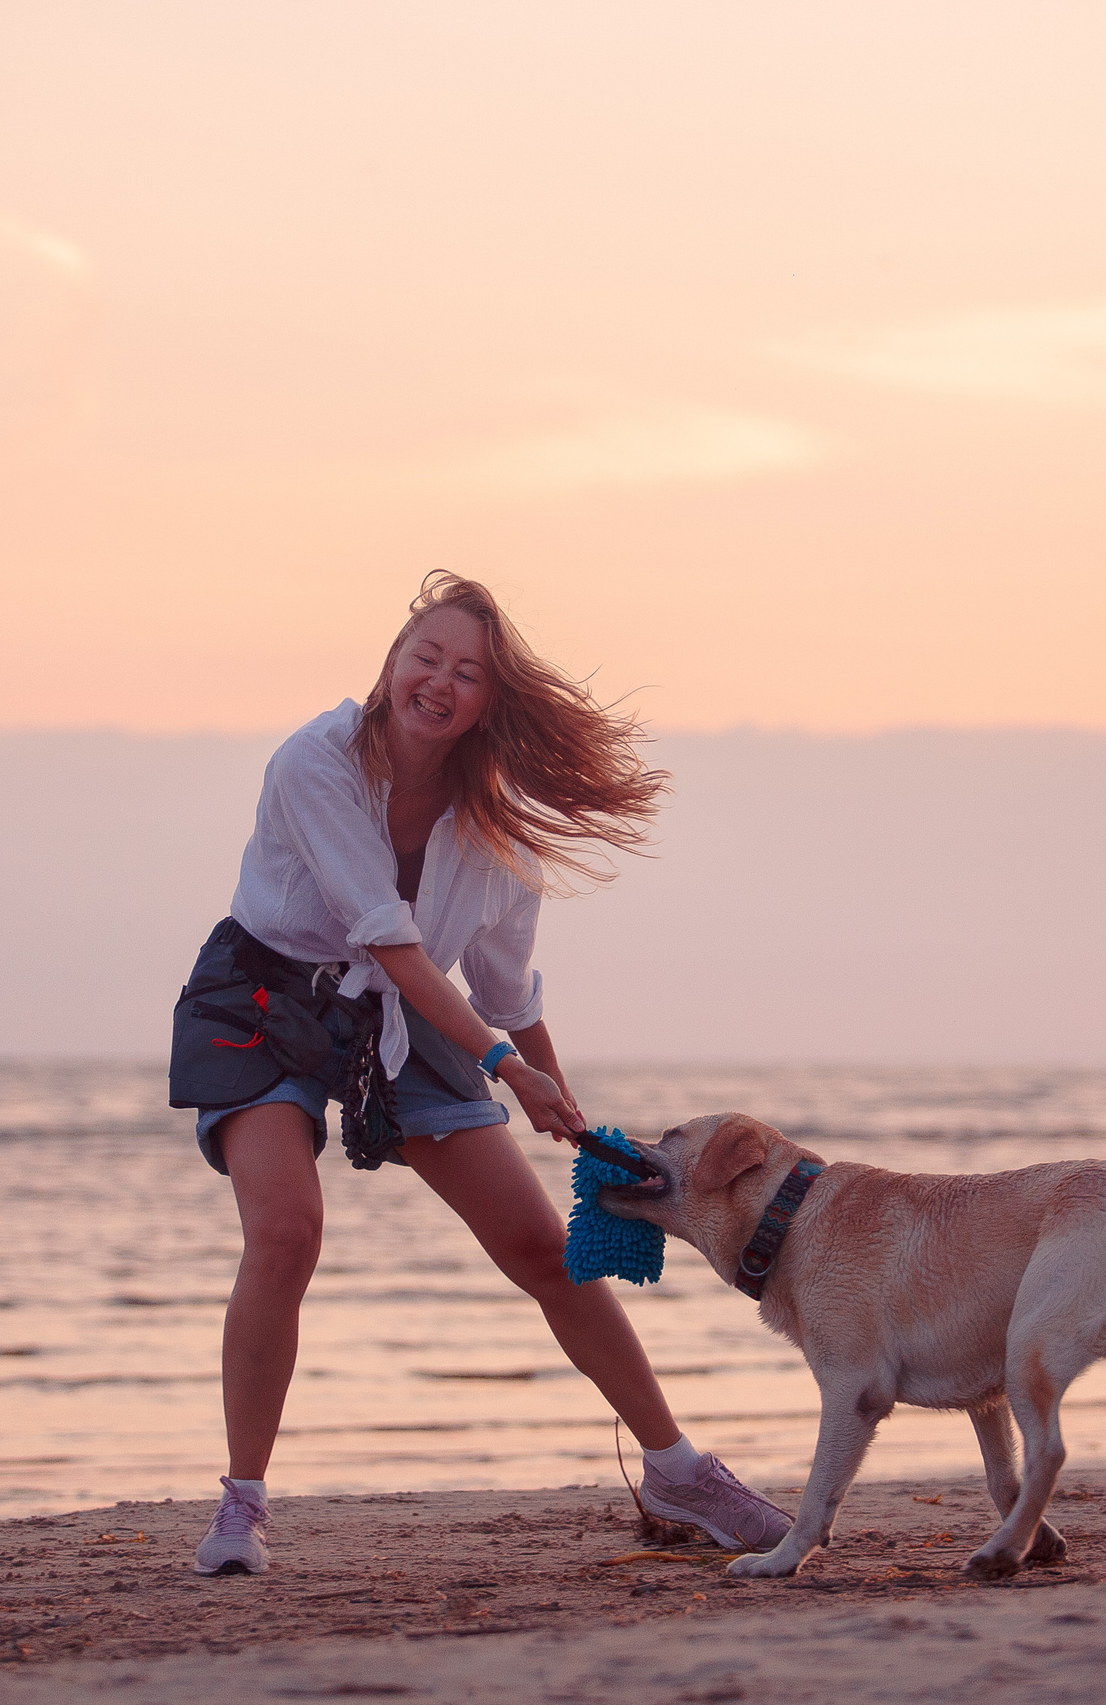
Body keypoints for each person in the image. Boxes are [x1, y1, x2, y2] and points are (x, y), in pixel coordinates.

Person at [167, 573, 792, 1576]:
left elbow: (505, 992)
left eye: (467, 674)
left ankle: (676, 1468)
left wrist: (569, 1109)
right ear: (389, 664)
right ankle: (242, 1505)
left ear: (487, 706)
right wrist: (505, 1069)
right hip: (262, 1000)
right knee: (285, 1231)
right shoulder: (312, 764)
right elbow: (388, 936)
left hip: (405, 1020)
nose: (439, 683)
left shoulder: (497, 841)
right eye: (426, 658)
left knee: (544, 1248)